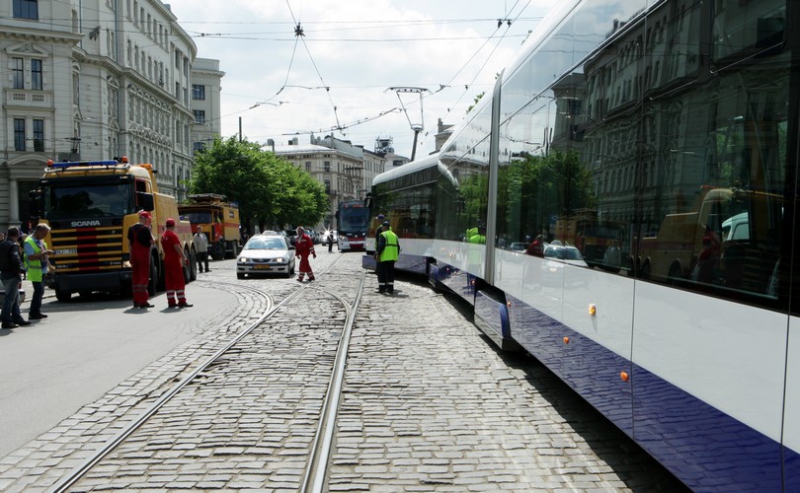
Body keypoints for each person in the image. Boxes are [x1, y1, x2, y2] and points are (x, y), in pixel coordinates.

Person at [1, 227, 31, 328]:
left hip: (4, 274)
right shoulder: (13, 245)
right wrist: (19, 271)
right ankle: (6, 320)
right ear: (18, 235)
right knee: (10, 298)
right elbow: (15, 259)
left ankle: (17, 318)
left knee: (15, 297)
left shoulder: (2, 244)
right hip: (12, 274)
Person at [24, 223, 55, 320]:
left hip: (42, 270)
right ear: (39, 231)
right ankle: (33, 313)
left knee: (40, 292)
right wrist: (44, 252)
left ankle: (36, 312)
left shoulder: (40, 240)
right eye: (44, 233)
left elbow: (45, 256)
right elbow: (30, 257)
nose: (45, 236)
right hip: (35, 271)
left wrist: (49, 266)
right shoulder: (29, 241)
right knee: (39, 291)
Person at [161, 218, 192, 308]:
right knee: (179, 280)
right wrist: (184, 257)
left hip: (167, 259)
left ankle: (171, 301)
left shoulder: (163, 236)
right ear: (174, 226)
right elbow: (177, 247)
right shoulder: (173, 235)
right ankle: (182, 301)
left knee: (169, 281)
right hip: (174, 260)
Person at [128, 210, 155, 308]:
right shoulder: (145, 229)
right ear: (145, 219)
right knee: (143, 278)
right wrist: (150, 231)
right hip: (143, 256)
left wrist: (131, 256)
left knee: (135, 277)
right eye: (148, 219)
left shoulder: (131, 228)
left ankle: (136, 300)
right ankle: (143, 301)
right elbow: (152, 242)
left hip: (134, 256)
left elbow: (130, 244)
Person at [376, 220, 400, 294]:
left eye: (382, 227)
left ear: (384, 227)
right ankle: (390, 289)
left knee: (381, 273)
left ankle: (382, 289)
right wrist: (396, 256)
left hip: (384, 257)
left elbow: (381, 246)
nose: (382, 228)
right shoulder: (394, 235)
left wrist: (378, 254)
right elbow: (398, 247)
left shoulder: (383, 235)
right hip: (392, 258)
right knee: (390, 274)